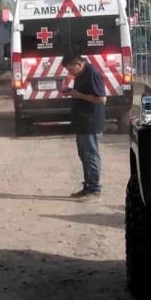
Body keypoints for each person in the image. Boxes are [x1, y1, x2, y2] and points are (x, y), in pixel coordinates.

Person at [61, 54, 107, 200]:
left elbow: (101, 99)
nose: (70, 73)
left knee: (91, 155)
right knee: (84, 155)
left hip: (91, 122)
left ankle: (94, 189)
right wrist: (72, 93)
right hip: (82, 122)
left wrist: (79, 95)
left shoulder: (92, 74)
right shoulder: (81, 75)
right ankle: (87, 187)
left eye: (71, 69)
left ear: (79, 64)